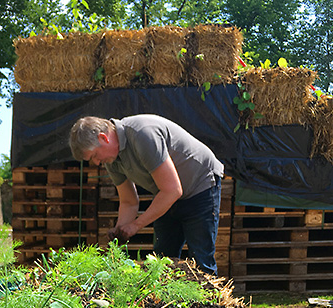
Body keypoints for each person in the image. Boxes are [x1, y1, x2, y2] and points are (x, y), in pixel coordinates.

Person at [69, 114, 224, 274]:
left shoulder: (142, 134)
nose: (96, 162)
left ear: (103, 138)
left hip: (200, 186)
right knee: (162, 261)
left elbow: (173, 190)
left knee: (201, 264)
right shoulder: (112, 161)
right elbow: (129, 202)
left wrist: (135, 226)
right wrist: (119, 234)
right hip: (166, 195)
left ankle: (208, 299)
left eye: (94, 155)